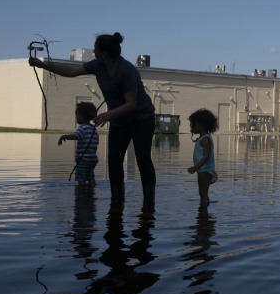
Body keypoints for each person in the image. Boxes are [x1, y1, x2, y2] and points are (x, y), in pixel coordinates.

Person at [29, 32, 157, 208]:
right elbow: (72, 70)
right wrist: (44, 65)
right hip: (119, 121)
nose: (94, 52)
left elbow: (132, 104)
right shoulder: (98, 66)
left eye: (96, 49)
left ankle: (149, 203)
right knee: (114, 160)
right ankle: (117, 201)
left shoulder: (126, 71)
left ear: (104, 52)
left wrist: (108, 114)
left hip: (141, 118)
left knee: (143, 159)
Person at [59, 101, 100, 186]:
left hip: (83, 160)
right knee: (90, 177)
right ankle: (92, 193)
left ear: (81, 116)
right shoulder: (93, 130)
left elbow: (76, 136)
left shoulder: (81, 128)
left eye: (77, 116)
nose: (76, 118)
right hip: (92, 159)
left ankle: (81, 194)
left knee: (81, 178)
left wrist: (64, 136)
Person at [187, 108, 218, 206]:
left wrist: (195, 167)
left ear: (202, 125)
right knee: (202, 193)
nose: (192, 127)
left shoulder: (205, 139)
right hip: (202, 170)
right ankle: (203, 214)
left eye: (194, 125)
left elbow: (205, 156)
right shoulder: (202, 138)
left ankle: (203, 215)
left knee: (203, 194)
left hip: (205, 170)